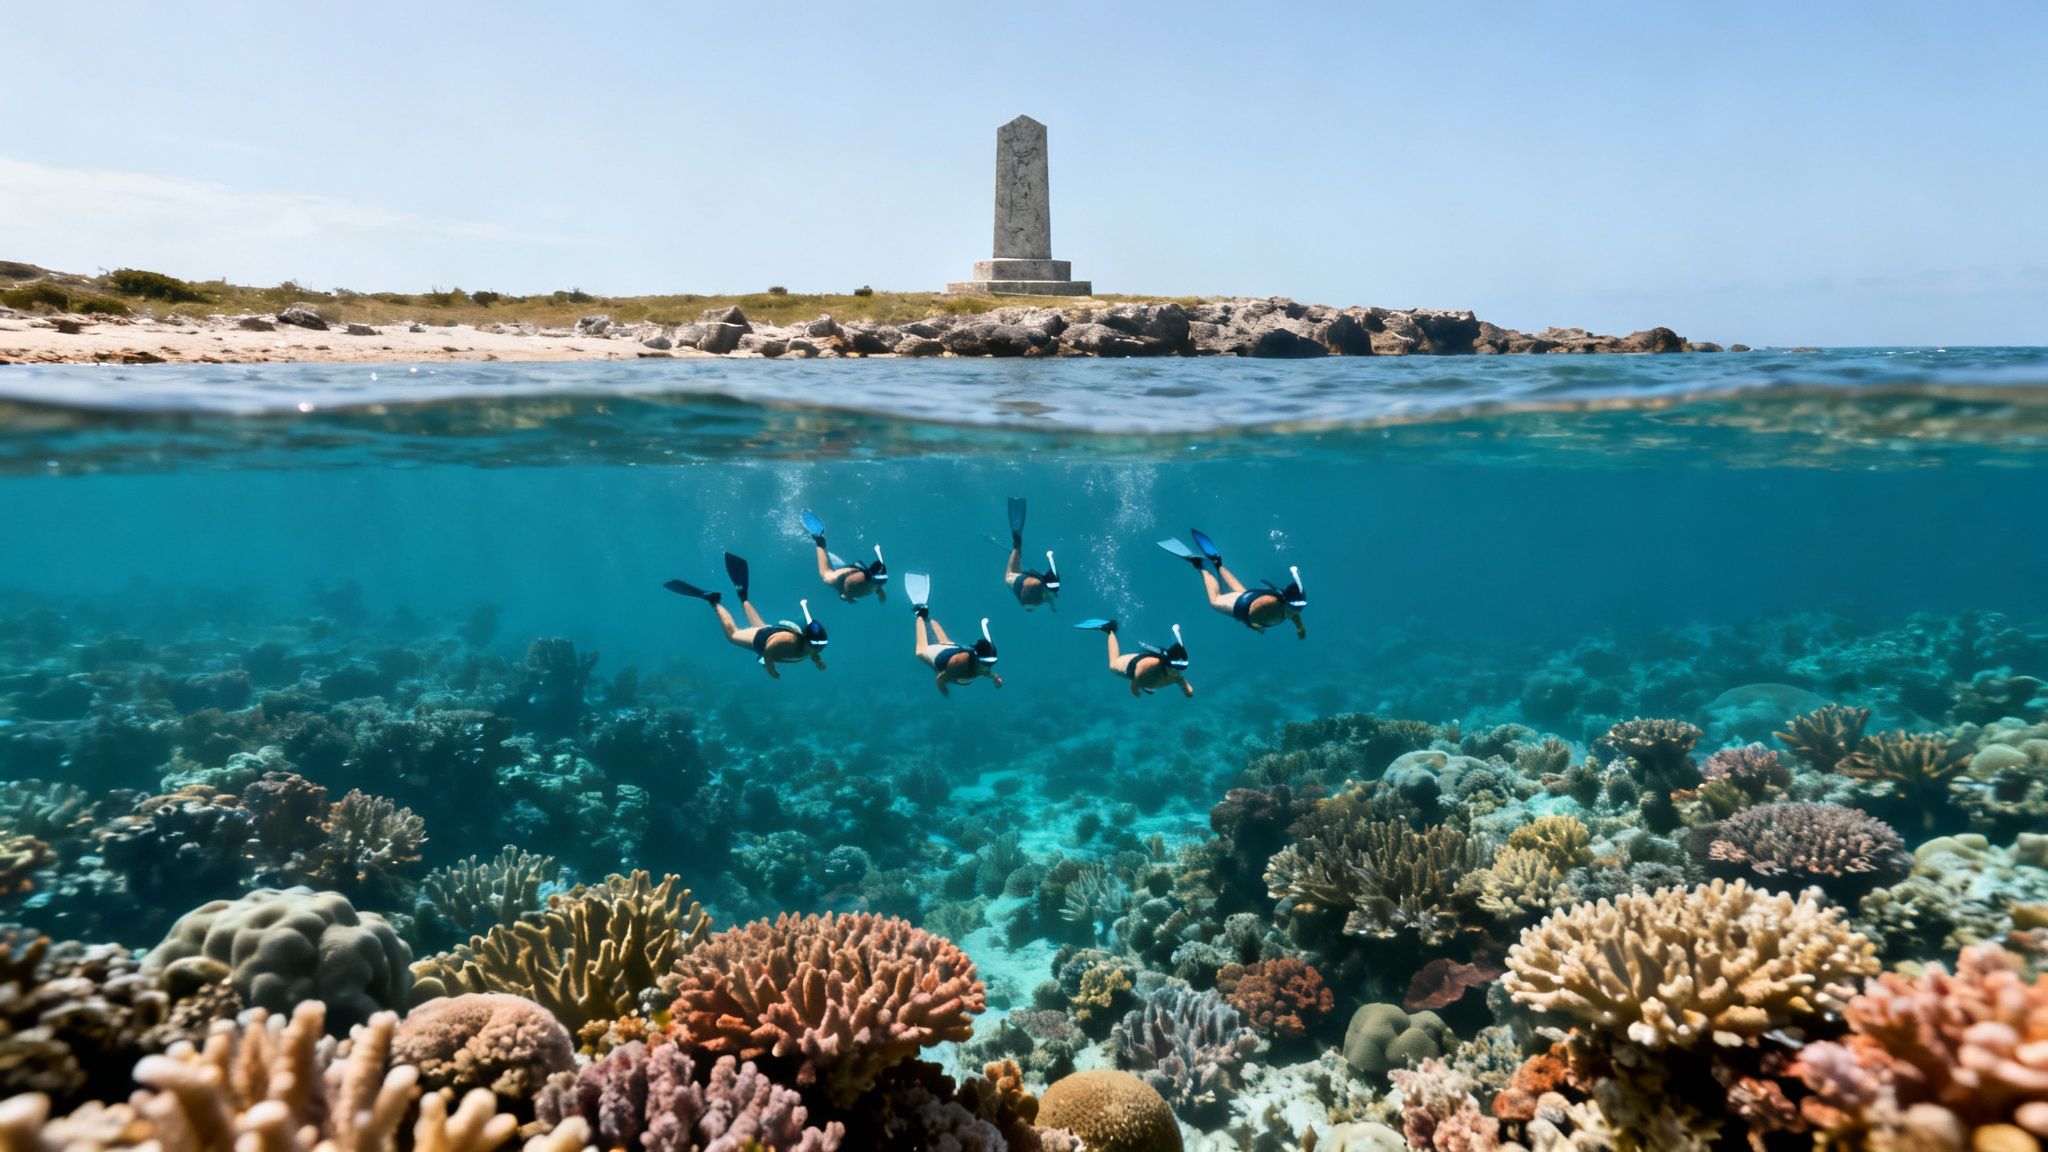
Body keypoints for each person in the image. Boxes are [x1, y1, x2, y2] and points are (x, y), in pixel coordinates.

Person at [664, 552, 827, 678]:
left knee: (762, 626)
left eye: (821, 645)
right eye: (816, 645)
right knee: (733, 636)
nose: (818, 648)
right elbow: (769, 650)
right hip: (765, 640)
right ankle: (713, 601)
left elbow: (813, 651)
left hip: (774, 632)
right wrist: (771, 669)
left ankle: (743, 596)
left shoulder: (813, 644)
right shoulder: (786, 642)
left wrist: (818, 661)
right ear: (806, 640)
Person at [1158, 529, 1307, 638]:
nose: (1294, 612)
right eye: (1292, 609)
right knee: (1215, 601)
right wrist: (1255, 627)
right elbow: (1251, 616)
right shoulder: (1271, 608)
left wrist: (1300, 627)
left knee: (1242, 593)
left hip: (1253, 596)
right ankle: (1201, 565)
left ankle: (1217, 563)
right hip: (1244, 606)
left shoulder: (1290, 603)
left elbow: (1294, 613)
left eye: (1296, 609)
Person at [904, 573, 1002, 696]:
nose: (988, 667)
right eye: (987, 664)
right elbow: (940, 678)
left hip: (955, 649)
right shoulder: (957, 666)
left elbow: (984, 671)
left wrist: (994, 677)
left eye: (991, 664)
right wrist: (943, 690)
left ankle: (926, 615)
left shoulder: (982, 662)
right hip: (943, 658)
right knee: (921, 652)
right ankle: (919, 615)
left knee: (945, 642)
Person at [1073, 618, 1193, 698]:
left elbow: (1182, 681)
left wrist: (1188, 690)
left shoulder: (1175, 673)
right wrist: (1136, 689)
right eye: (1174, 669)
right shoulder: (1149, 670)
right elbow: (1135, 683)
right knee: (1113, 664)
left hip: (1153, 663)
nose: (1176, 672)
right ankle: (1109, 629)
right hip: (1135, 666)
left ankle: (1149, 684)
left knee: (1168, 675)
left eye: (1179, 670)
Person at [800, 508, 888, 603]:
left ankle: (820, 540)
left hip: (857, 571)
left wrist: (880, 592)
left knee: (871, 578)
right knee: (826, 576)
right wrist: (847, 598)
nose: (879, 585)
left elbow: (877, 582)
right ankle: (819, 539)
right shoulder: (857, 583)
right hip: (843, 579)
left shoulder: (876, 580)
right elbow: (845, 593)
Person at [1003, 496, 1061, 611]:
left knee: (1046, 591)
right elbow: (1028, 602)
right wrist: (1050, 605)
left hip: (1033, 581)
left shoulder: (1048, 589)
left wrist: (1052, 604)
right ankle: (1017, 545)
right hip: (1023, 584)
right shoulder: (1034, 599)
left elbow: (1049, 593)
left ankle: (1017, 546)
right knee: (1009, 576)